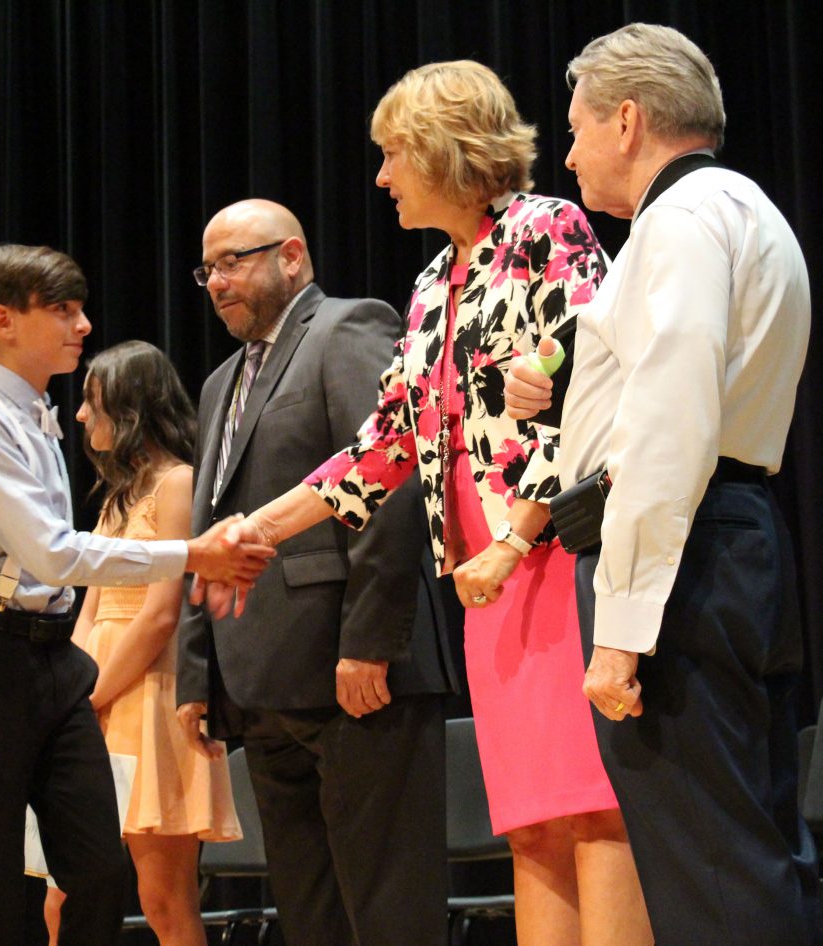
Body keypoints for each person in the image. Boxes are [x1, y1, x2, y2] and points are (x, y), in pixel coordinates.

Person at [211, 64, 653, 945]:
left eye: (391, 155)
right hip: (486, 583)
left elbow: (598, 400)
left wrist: (516, 538)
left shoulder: (545, 229)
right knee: (530, 821)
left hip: (554, 555)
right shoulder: (429, 286)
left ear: (444, 149)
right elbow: (384, 447)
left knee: (595, 810)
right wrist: (260, 526)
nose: (380, 178)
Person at [504, 23, 821, 945]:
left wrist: (623, 632)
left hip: (684, 555)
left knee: (709, 870)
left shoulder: (679, 221)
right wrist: (566, 389)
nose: (565, 152)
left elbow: (671, 425)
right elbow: (682, 388)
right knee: (750, 849)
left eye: (573, 129)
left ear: (629, 120)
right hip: (732, 535)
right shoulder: (741, 210)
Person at [0, 243, 274, 946]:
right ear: (4, 321)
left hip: (54, 660)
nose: (83, 325)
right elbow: (51, 552)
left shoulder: (39, 418)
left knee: (95, 868)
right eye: (62, 310)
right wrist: (192, 553)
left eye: (80, 308)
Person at [176, 199, 456, 946]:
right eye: (207, 269)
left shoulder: (348, 326)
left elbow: (389, 485)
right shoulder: (218, 383)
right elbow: (211, 534)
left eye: (233, 261)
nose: (216, 281)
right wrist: (196, 674)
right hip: (258, 684)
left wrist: (369, 642)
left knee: (389, 907)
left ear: (291, 255)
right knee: (309, 915)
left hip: (354, 673)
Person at [44, 340, 241, 946]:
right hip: (94, 698)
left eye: (91, 401)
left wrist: (91, 696)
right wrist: (73, 693)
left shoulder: (177, 484)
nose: (80, 416)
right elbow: (91, 608)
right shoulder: (117, 495)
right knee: (61, 895)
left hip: (145, 700)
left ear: (130, 408)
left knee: (163, 899)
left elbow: (159, 617)